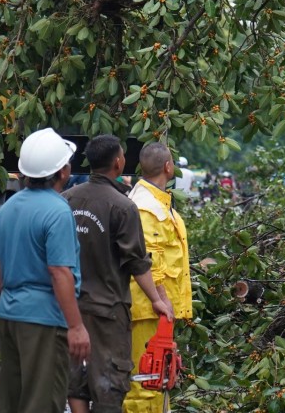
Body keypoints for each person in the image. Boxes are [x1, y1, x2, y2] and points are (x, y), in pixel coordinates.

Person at [63, 135, 173, 413]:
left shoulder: (67, 200)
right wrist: (156, 299)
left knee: (75, 376)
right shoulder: (123, 207)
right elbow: (137, 262)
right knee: (110, 381)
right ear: (118, 162)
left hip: (71, 308)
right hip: (109, 310)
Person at [0, 127, 90, 413]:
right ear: (63, 171)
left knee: (12, 400)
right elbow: (60, 272)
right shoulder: (58, 211)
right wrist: (75, 326)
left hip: (10, 313)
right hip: (44, 320)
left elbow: (0, 266)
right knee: (42, 402)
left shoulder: (8, 208)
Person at [124, 142, 192, 413]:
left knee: (158, 379)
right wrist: (162, 300)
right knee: (145, 383)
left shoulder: (156, 203)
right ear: (168, 166)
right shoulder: (145, 207)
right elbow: (149, 262)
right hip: (149, 309)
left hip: (156, 309)